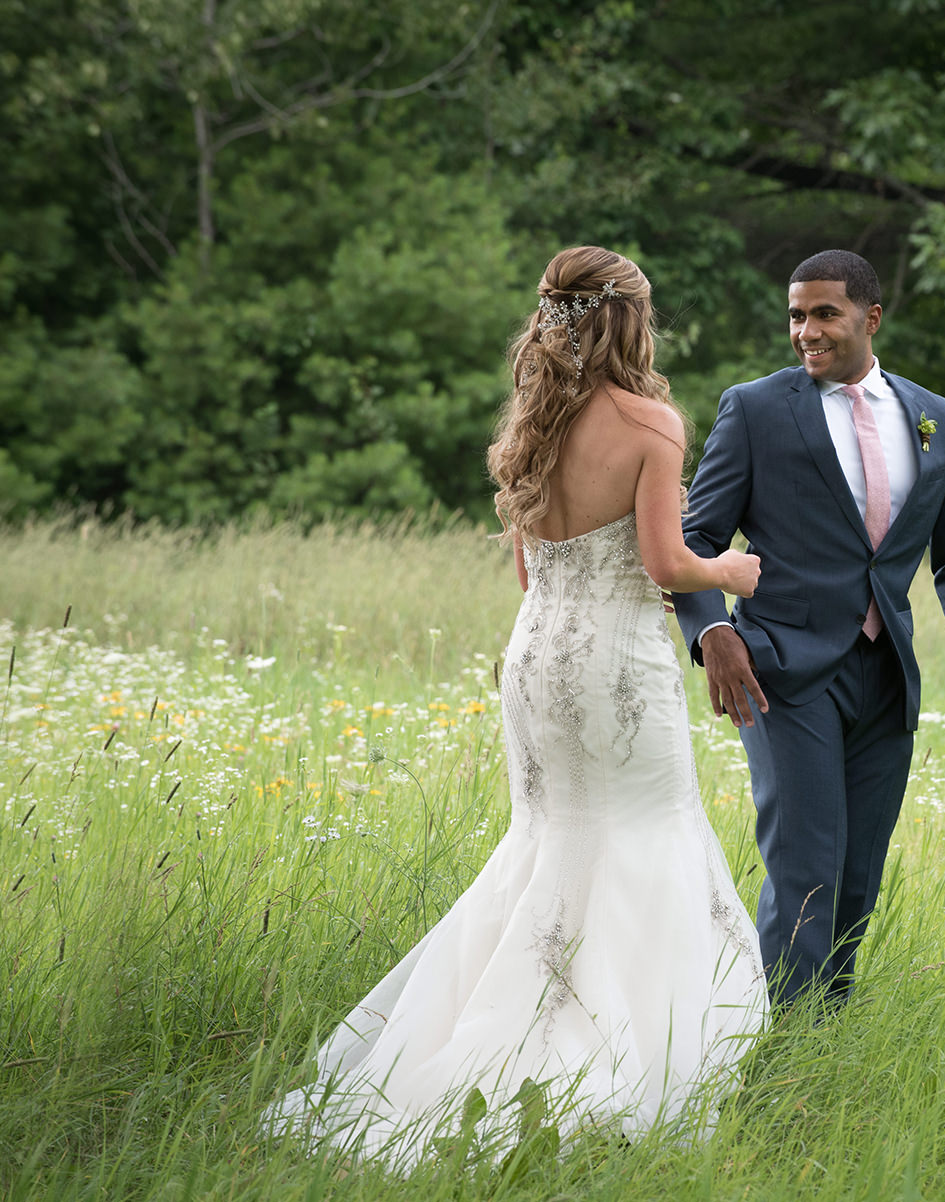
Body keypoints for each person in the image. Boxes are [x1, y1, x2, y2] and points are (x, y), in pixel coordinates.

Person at [262, 246, 769, 1168]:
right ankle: (618, 1057)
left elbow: (529, 560)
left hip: (535, 655)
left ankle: (495, 1030)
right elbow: (665, 567)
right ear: (631, 320)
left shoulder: (537, 419)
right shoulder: (651, 423)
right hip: (614, 664)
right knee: (645, 834)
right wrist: (729, 571)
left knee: (550, 839)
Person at [672, 249, 945, 1012]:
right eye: (796, 315)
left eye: (824, 313)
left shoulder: (936, 419)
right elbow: (693, 540)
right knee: (805, 869)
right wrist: (712, 636)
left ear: (872, 317)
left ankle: (826, 1041)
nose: (806, 331)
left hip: (884, 672)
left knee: (858, 875)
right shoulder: (756, 409)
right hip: (779, 671)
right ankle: (783, 1055)